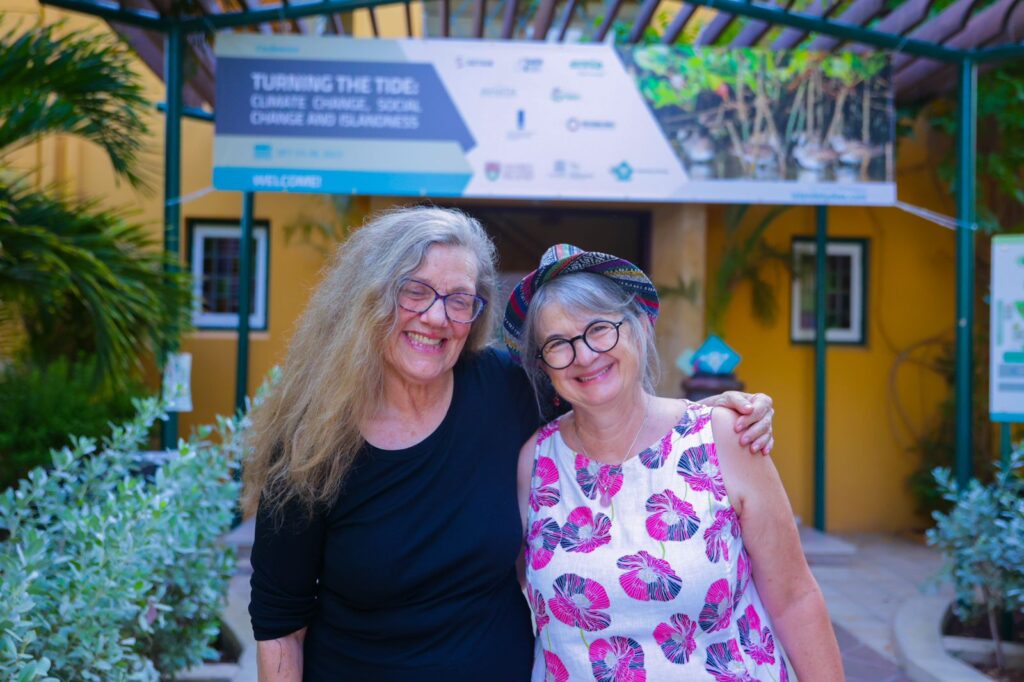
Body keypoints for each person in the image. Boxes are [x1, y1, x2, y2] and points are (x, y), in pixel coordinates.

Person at [243, 207, 777, 681]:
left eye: (460, 300)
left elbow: (605, 392)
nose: (437, 317)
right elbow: (279, 623)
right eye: (415, 291)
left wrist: (708, 414)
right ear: (370, 298)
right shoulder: (311, 440)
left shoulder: (506, 388)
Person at [506, 244, 842, 681]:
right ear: (542, 365)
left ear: (640, 328)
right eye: (558, 344)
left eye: (600, 329)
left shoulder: (724, 437)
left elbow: (795, 599)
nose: (585, 355)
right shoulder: (534, 461)